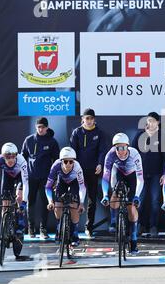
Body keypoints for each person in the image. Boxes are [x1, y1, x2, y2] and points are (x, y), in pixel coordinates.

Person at [101, 133, 144, 255]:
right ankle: (114, 220)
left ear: (127, 147)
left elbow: (140, 178)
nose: (120, 151)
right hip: (118, 173)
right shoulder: (110, 154)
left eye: (123, 148)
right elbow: (106, 176)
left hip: (132, 176)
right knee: (114, 196)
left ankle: (134, 238)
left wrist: (136, 195)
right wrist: (105, 195)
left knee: (131, 206)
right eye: (117, 148)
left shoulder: (134, 154)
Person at [70, 108, 106, 238]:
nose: (89, 121)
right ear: (82, 119)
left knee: (92, 200)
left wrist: (100, 163)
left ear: (94, 119)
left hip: (93, 171)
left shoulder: (99, 133)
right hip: (77, 171)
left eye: (91, 118)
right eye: (87, 118)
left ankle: (88, 227)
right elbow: (72, 151)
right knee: (75, 198)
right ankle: (72, 227)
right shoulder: (77, 132)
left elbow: (102, 151)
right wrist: (74, 167)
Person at [21, 117, 60, 239]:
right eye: (39, 127)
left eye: (43, 127)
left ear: (47, 127)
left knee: (45, 203)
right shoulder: (29, 140)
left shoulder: (52, 141)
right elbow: (22, 158)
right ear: (36, 127)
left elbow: (57, 161)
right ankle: (31, 229)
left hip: (45, 178)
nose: (41, 129)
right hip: (31, 177)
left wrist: (55, 179)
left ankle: (43, 230)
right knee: (30, 202)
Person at [132, 112, 165, 237]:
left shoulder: (162, 137)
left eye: (153, 120)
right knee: (139, 200)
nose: (150, 123)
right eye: (148, 120)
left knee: (155, 201)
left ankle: (153, 226)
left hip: (156, 174)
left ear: (158, 122)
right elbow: (132, 153)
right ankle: (139, 225)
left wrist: (164, 174)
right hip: (140, 174)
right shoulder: (139, 135)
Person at [45, 147, 86, 246]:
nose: (68, 164)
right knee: (58, 205)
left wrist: (81, 203)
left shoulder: (77, 167)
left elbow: (82, 187)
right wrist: (50, 201)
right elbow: (48, 186)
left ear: (74, 162)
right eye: (65, 161)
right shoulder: (56, 166)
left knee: (74, 207)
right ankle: (59, 227)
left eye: (71, 162)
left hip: (74, 183)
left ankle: (75, 234)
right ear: (61, 161)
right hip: (62, 182)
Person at [0, 143, 29, 238]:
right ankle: (5, 226)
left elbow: (26, 183)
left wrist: (24, 201)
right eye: (7, 157)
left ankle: (20, 221)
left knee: (19, 197)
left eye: (13, 157)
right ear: (3, 157)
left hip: (19, 176)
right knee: (5, 204)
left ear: (16, 155)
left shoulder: (21, 160)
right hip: (8, 176)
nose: (11, 160)